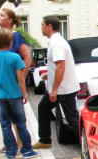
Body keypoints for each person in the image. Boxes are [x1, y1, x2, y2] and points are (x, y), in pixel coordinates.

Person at [0, 28, 39, 159]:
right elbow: (20, 78)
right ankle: (27, 150)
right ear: (10, 42)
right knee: (21, 123)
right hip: (15, 94)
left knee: (5, 124)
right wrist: (24, 93)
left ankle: (10, 152)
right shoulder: (15, 57)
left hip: (0, 96)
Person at [33, 15, 80, 149]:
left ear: (49, 26)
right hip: (64, 87)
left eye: (42, 25)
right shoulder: (57, 41)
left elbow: (61, 65)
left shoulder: (56, 43)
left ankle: (87, 148)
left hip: (62, 89)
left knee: (72, 119)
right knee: (46, 109)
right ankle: (45, 140)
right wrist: (50, 74)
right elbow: (58, 66)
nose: (41, 28)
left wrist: (54, 90)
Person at [0, 8, 32, 153]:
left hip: (11, 83)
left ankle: (18, 142)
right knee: (2, 114)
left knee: (14, 114)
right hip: (2, 84)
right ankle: (11, 142)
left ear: (10, 20)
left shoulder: (15, 36)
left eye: (2, 15)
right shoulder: (1, 35)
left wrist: (21, 76)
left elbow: (27, 56)